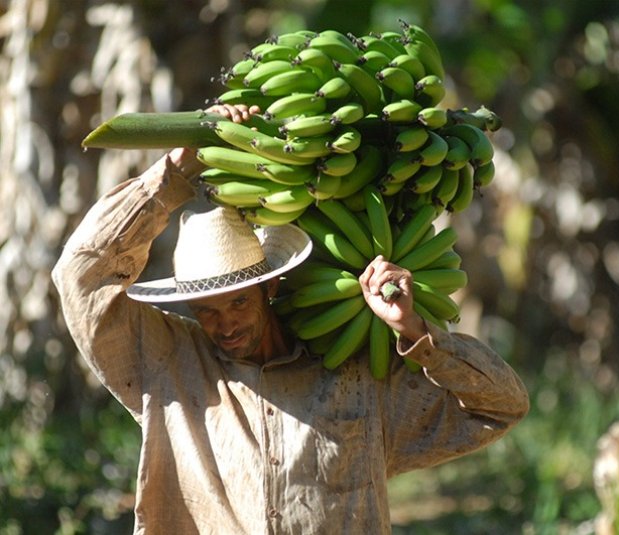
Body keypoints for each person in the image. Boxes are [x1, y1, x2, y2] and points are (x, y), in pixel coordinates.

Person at [52, 103, 529, 534]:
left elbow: (501, 406)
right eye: (207, 312)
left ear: (270, 287)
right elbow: (79, 274)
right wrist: (176, 173)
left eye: (238, 302)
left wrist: (415, 331)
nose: (225, 325)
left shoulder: (356, 382)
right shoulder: (167, 368)